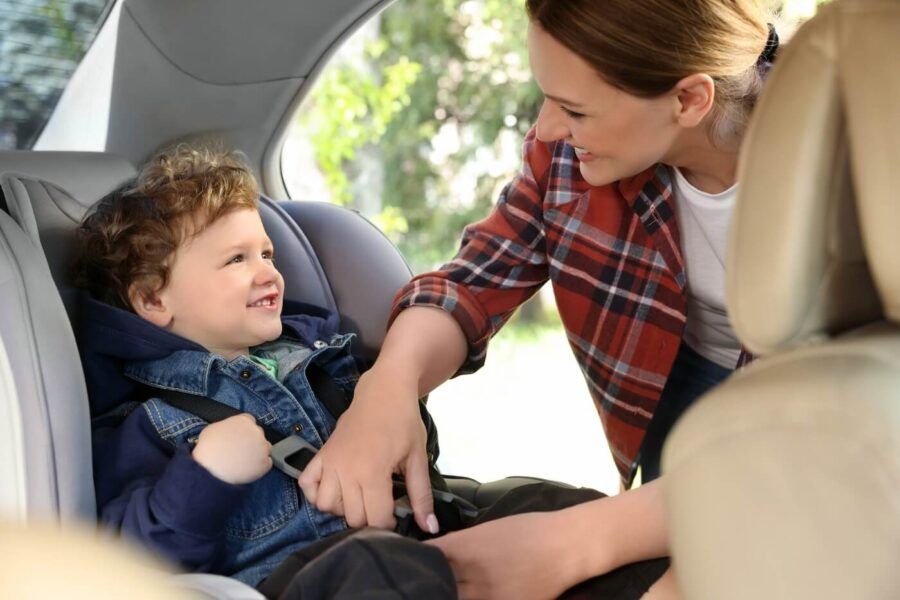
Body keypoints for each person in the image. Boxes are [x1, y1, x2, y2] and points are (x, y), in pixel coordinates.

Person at [297, 0, 780, 597]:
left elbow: (810, 450)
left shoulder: (846, 174)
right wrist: (387, 386)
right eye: (548, 98)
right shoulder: (569, 157)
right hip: (675, 380)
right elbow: (474, 281)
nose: (547, 127)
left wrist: (571, 544)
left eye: (575, 110)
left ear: (688, 99)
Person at [74, 147, 359, 586]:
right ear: (152, 299)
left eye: (267, 254)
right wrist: (206, 476)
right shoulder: (151, 423)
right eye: (236, 259)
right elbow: (129, 565)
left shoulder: (317, 357)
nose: (269, 273)